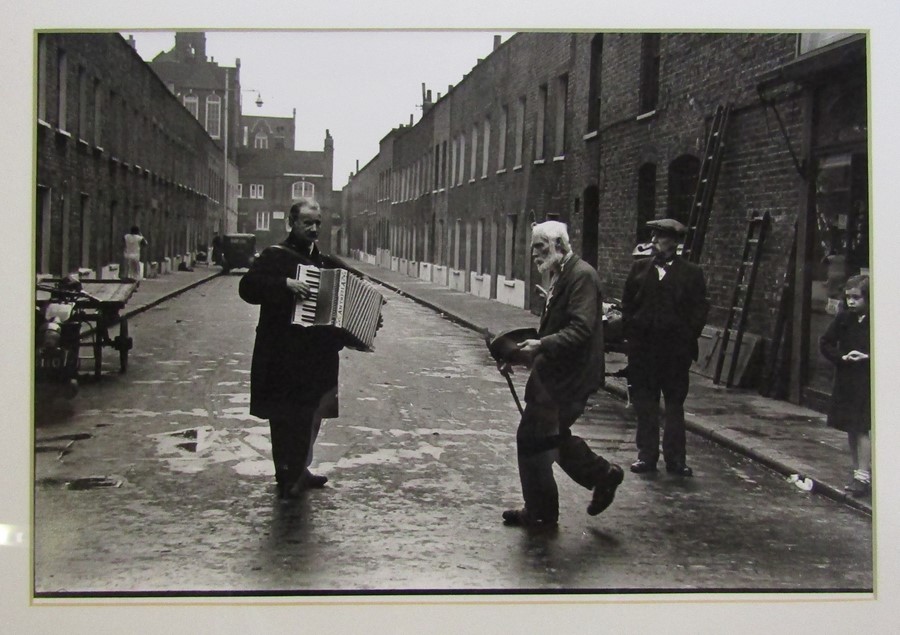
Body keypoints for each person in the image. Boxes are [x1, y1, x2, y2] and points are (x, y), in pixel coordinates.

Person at [499, 220, 624, 528]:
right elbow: (557, 328)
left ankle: (545, 509)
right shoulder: (562, 274)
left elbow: (580, 329)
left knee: (534, 438)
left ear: (557, 245)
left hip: (570, 380)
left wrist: (541, 344)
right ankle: (600, 477)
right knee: (546, 439)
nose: (533, 254)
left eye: (539, 247)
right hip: (556, 377)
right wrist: (515, 354)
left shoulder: (581, 276)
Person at [239, 198, 351, 499]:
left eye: (317, 223)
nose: (314, 229)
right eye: (307, 223)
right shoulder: (275, 256)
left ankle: (300, 468)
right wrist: (284, 284)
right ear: (292, 223)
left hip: (316, 355)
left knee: (312, 415)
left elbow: (344, 301)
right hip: (282, 354)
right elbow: (247, 288)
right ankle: (286, 473)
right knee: (284, 416)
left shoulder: (327, 263)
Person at [622, 218, 709, 477]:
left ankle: (676, 460)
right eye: (653, 236)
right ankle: (646, 456)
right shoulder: (638, 269)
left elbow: (699, 312)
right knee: (645, 405)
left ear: (673, 242)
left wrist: (685, 338)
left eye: (659, 237)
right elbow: (628, 307)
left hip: (675, 354)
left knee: (674, 407)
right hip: (644, 353)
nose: (654, 242)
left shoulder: (692, 273)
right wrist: (632, 338)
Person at [819, 274, 871, 497]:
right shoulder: (844, 319)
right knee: (851, 426)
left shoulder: (880, 319)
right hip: (848, 378)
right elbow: (825, 342)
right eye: (848, 297)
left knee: (862, 427)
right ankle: (857, 469)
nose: (851, 302)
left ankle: (863, 475)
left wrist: (868, 357)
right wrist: (841, 358)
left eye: (857, 298)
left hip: (868, 379)